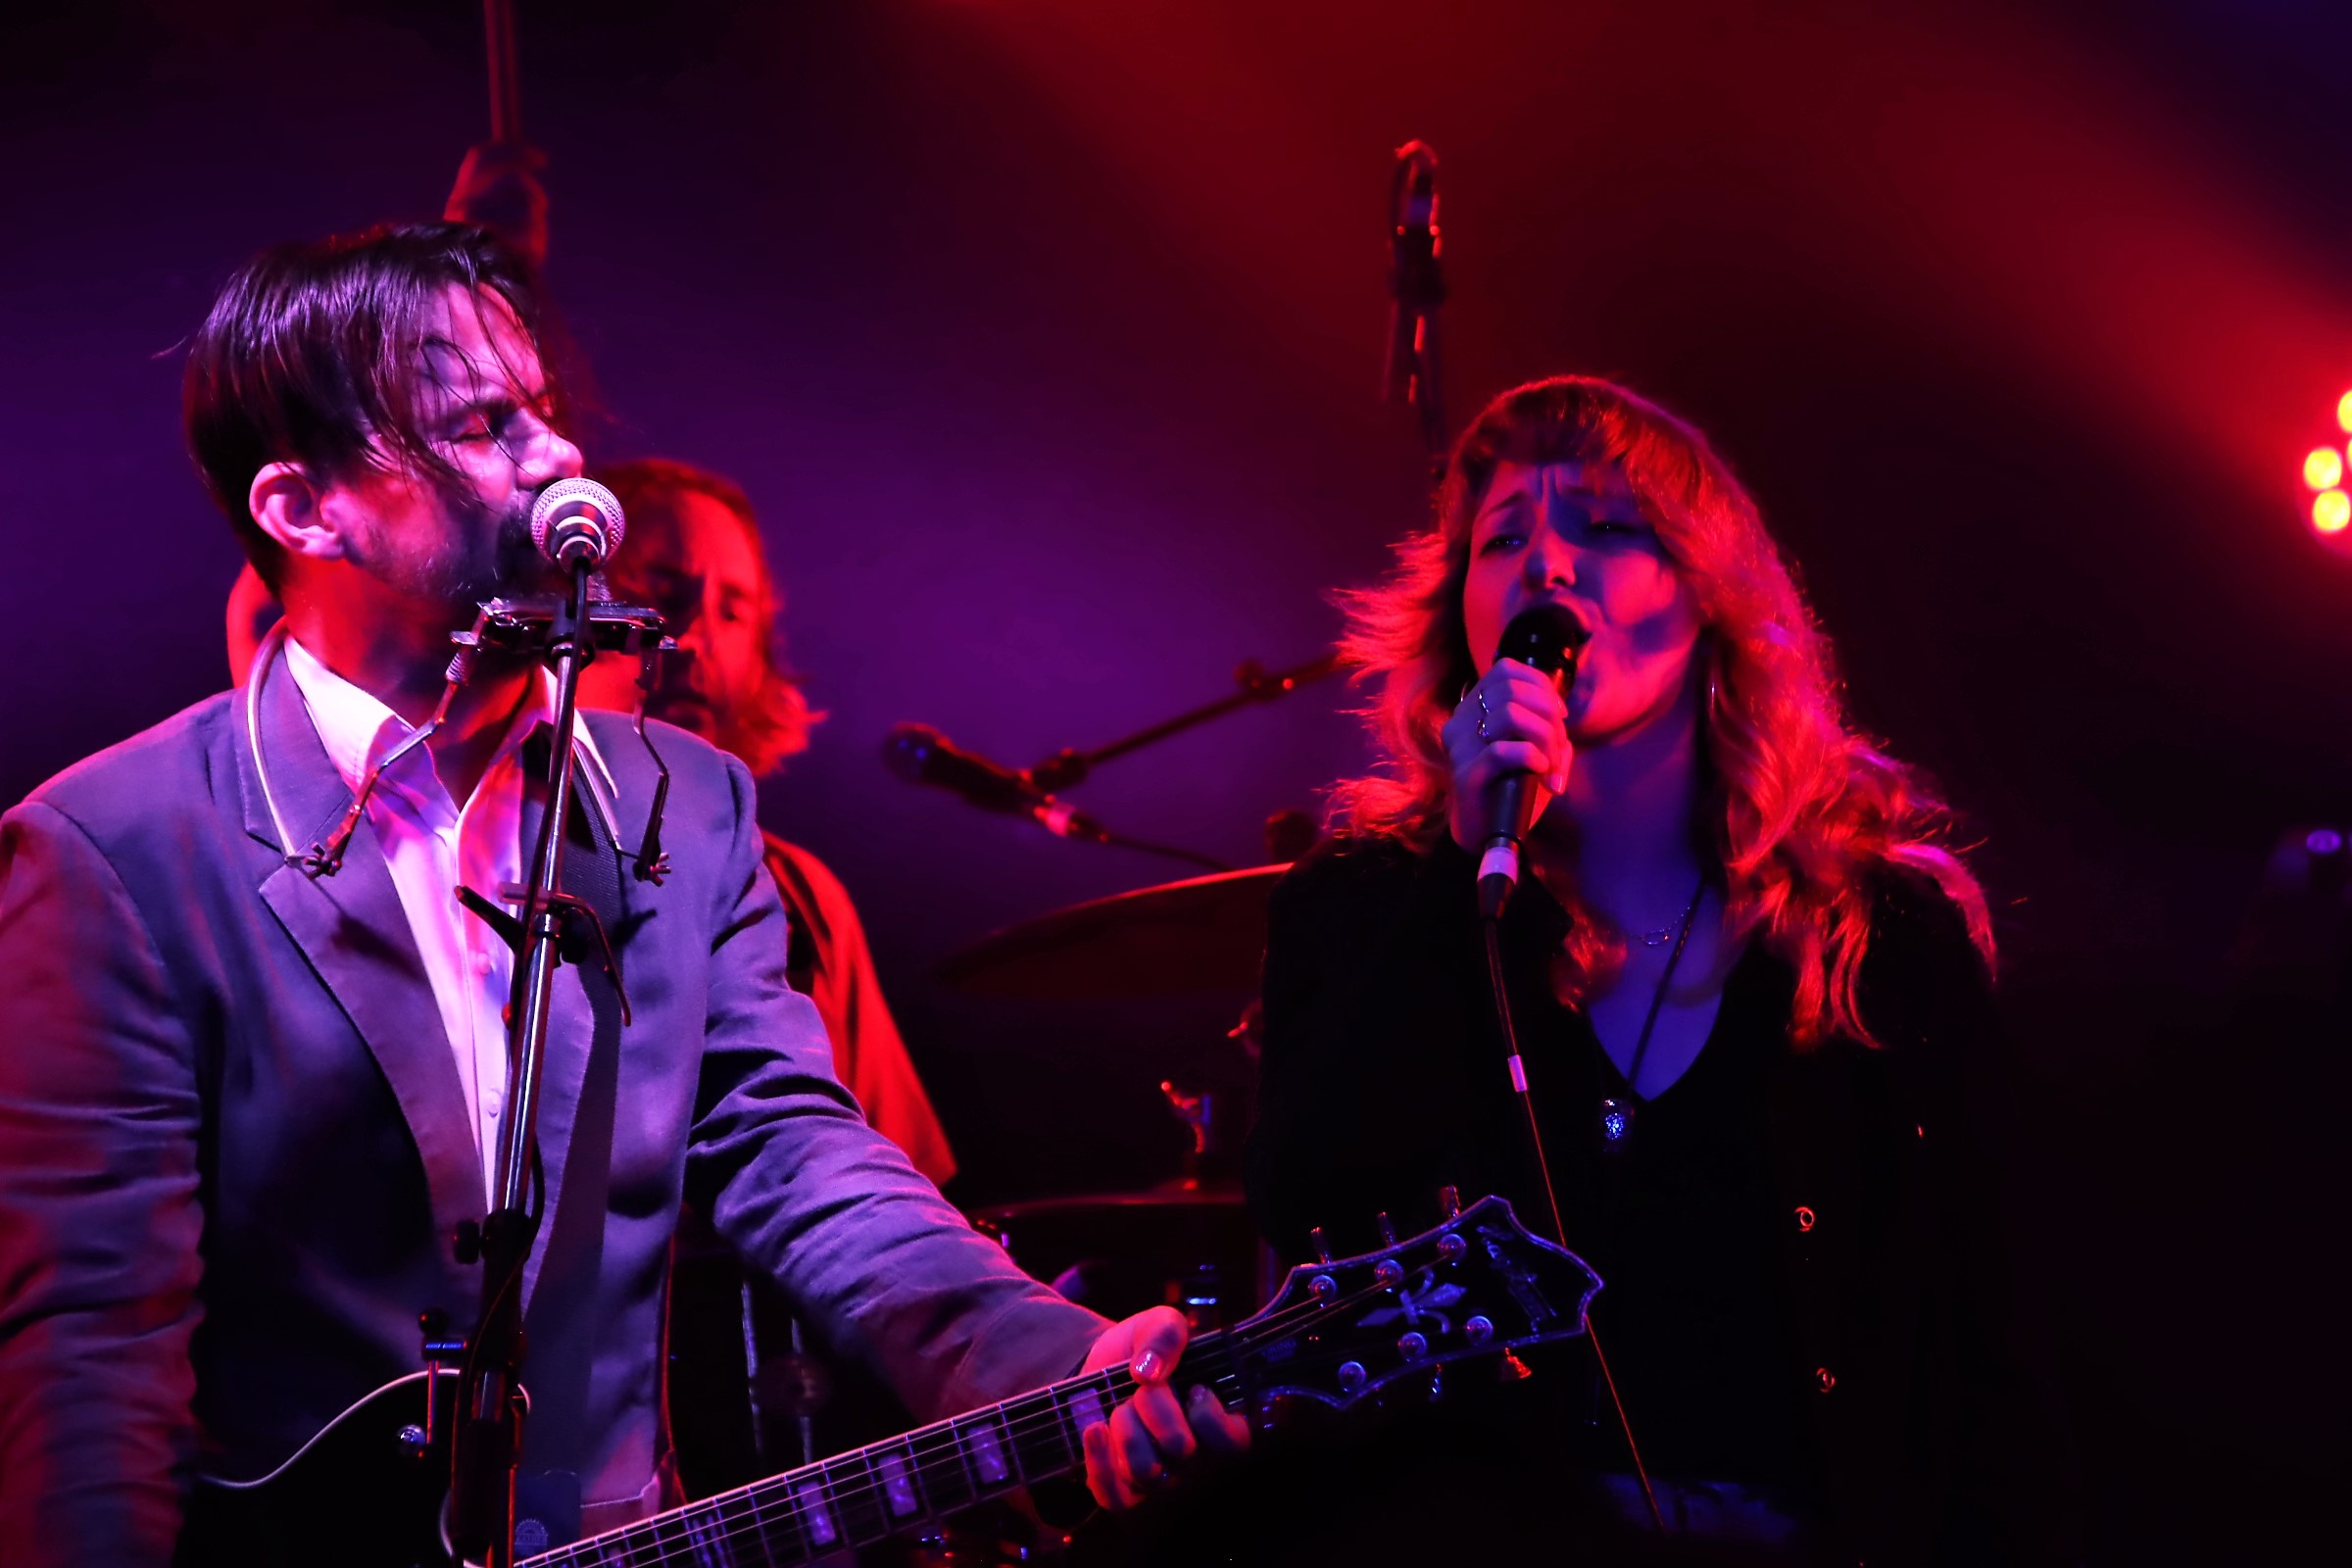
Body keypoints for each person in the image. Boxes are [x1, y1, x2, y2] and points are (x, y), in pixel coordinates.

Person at [0, 222, 1243, 1566]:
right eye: (481, 424)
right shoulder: (113, 852)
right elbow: (88, 1364)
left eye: (542, 409)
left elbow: (796, 1155)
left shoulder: (685, 810)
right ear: (307, 511)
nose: (558, 457)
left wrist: (1051, 1356)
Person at [1243, 376, 2074, 1563]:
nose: (1547, 564)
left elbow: (2001, 1342)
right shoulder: (1365, 903)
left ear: (1706, 591)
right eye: (1503, 539)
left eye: (1607, 526)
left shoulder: (1879, 932)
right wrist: (1460, 873)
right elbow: (1309, 1197)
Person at [573, 458, 957, 1186]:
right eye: (662, 594)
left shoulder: (804, 894)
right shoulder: (486, 843)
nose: (697, 640)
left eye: (733, 611)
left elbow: (895, 1170)